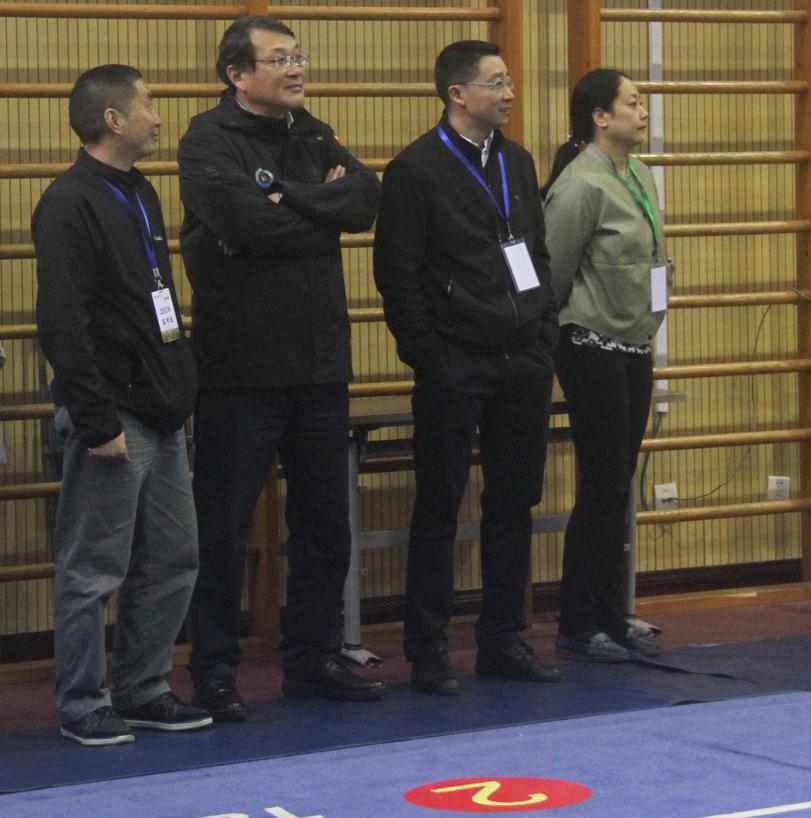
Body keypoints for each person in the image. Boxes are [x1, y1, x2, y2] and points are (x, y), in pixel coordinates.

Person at [178, 14, 385, 721]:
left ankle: (313, 657)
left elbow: (365, 199)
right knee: (224, 529)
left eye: (299, 56)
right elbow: (244, 224)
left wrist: (291, 197)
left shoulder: (312, 131)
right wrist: (319, 213)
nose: (296, 69)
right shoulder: (208, 140)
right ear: (237, 74)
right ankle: (214, 671)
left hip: (320, 364)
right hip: (241, 369)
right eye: (279, 59)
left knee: (325, 524)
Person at [374, 40, 561, 695]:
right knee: (439, 504)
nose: (509, 93)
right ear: (457, 93)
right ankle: (428, 647)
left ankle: (503, 638)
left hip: (522, 359)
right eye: (496, 83)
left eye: (509, 82)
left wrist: (542, 331)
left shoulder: (517, 160)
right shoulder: (416, 169)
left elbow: (535, 251)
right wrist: (431, 356)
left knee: (514, 501)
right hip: (455, 362)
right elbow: (397, 273)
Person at [33, 64, 210, 745]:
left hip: (160, 409)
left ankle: (143, 688)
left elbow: (151, 301)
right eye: (148, 105)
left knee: (173, 557)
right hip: (113, 413)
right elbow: (63, 321)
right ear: (113, 119)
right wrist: (95, 417)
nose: (158, 117)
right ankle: (83, 702)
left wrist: (178, 382)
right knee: (93, 566)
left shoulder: (139, 192)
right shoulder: (68, 201)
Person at [541, 69, 670, 662]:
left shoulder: (636, 173)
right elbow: (553, 275)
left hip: (634, 344)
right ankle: (579, 619)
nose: (642, 111)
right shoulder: (579, 185)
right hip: (590, 345)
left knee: (620, 484)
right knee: (601, 485)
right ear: (600, 117)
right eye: (632, 102)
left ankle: (613, 611)